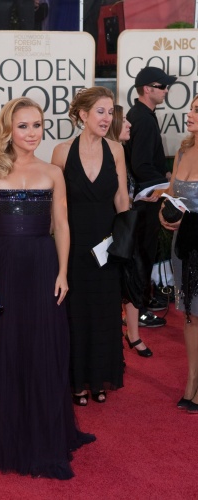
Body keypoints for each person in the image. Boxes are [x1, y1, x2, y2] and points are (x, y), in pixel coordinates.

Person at [0, 97, 96, 479]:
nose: (32, 133)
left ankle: (48, 433)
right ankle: (12, 436)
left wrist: (63, 273)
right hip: (3, 267)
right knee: (7, 347)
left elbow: (63, 225)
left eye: (37, 125)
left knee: (45, 347)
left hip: (43, 267)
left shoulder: (53, 172)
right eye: (23, 126)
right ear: (8, 129)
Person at [51, 87, 129, 405]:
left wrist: (127, 241)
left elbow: (121, 197)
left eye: (110, 112)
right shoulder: (61, 152)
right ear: (83, 115)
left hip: (107, 247)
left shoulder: (116, 150)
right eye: (100, 111)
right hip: (74, 244)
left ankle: (99, 379)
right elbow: (57, 209)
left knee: (105, 314)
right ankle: (77, 381)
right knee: (76, 314)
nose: (107, 118)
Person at [124, 66, 177, 328]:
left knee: (145, 252)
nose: (167, 90)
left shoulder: (143, 115)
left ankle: (144, 299)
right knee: (142, 254)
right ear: (148, 88)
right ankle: (140, 309)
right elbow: (140, 164)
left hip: (148, 195)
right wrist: (164, 185)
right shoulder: (143, 119)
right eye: (163, 86)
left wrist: (165, 176)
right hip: (146, 200)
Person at [159, 94, 198, 414]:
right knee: (187, 313)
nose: (190, 113)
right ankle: (191, 380)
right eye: (193, 107)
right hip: (182, 245)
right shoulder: (184, 149)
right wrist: (164, 209)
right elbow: (173, 193)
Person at [107, 104, 152, 357]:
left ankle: (133, 335)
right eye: (124, 121)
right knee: (114, 285)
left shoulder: (123, 152)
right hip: (111, 232)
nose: (129, 125)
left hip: (129, 228)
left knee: (134, 281)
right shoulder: (107, 155)